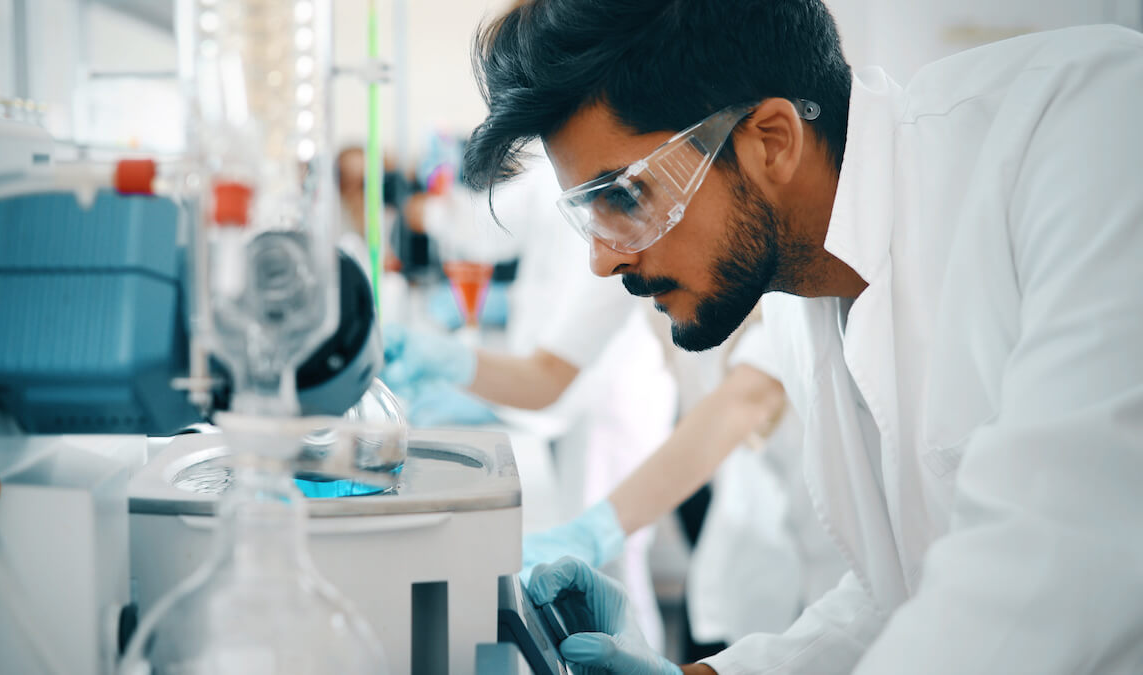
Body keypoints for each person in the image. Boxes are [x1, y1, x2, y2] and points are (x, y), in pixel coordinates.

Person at [459, 1, 1143, 674]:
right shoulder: (800, 290)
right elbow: (899, 592)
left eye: (626, 194)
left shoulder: (1086, 125)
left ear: (771, 142)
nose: (602, 259)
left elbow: (1052, 561)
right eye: (589, 213)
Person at [384, 157, 678, 647]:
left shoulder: (617, 192)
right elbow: (490, 227)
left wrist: (453, 363)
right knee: (598, 571)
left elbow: (549, 376)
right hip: (571, 397)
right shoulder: (554, 166)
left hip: (609, 400)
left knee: (616, 574)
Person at [523, 315, 848, 663]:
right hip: (743, 521)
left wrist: (595, 531)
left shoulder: (793, 314)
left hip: (818, 557)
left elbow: (746, 400)